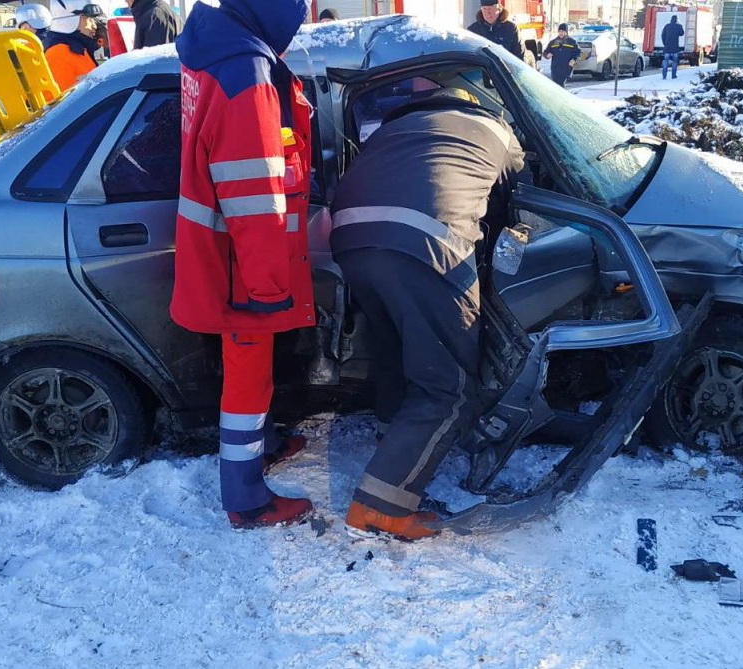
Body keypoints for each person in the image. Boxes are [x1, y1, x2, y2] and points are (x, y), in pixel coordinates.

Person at [330, 88, 525, 541]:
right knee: (449, 388)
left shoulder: (391, 130)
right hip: (424, 243)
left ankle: (393, 442)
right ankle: (381, 510)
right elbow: (520, 192)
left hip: (350, 239)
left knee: (392, 350)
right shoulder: (496, 129)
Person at [173, 0, 316, 530]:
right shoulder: (245, 73)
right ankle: (247, 499)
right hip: (240, 265)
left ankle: (265, 447)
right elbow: (254, 195)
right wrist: (267, 287)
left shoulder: (214, 46)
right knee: (248, 381)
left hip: (218, 249)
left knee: (250, 375)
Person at [45, 0, 99, 90]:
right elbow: (60, 101)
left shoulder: (79, 49)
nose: (94, 26)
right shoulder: (59, 53)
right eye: (89, 19)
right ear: (70, 20)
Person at [661, 15, 684, 80]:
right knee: (674, 62)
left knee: (665, 62)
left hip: (667, 48)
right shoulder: (678, 26)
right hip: (675, 48)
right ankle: (673, 75)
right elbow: (682, 33)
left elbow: (663, 35)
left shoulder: (667, 26)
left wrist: (665, 44)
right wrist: (679, 25)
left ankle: (664, 76)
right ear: (676, 20)